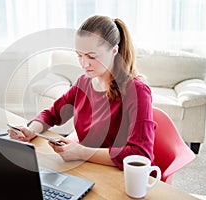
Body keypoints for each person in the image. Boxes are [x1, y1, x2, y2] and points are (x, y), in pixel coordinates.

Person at [8, 15, 156, 170]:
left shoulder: (137, 91)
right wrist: (31, 130)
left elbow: (140, 154)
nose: (84, 64)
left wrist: (82, 152)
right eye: (79, 55)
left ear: (114, 51)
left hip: (121, 175)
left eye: (92, 56)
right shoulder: (83, 83)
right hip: (90, 168)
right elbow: (52, 114)